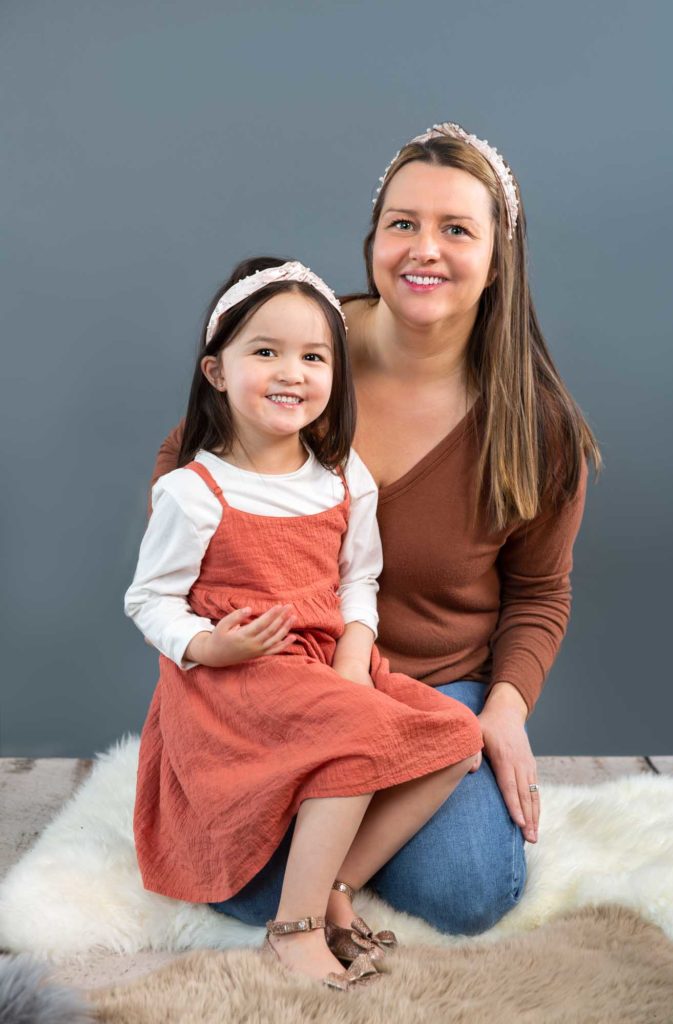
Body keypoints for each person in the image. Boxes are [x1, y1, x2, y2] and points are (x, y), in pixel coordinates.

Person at [152, 123, 601, 938]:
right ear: (372, 240)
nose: (422, 249)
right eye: (402, 223)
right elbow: (189, 462)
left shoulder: (538, 426)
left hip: (434, 681)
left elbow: (540, 591)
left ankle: (344, 856)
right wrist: (222, 632)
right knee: (242, 887)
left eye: (456, 229)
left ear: (501, 254)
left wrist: (503, 710)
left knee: (467, 890)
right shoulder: (304, 348)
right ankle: (335, 828)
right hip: (283, 675)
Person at [125, 256, 485, 990]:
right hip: (239, 679)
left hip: (328, 663)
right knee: (352, 741)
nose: (291, 372)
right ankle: (291, 934)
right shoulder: (195, 492)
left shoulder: (343, 476)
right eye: (266, 352)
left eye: (313, 356)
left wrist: (356, 650)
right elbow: (148, 599)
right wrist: (207, 644)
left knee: (456, 738)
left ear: (334, 375)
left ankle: (333, 890)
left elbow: (361, 578)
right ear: (217, 371)